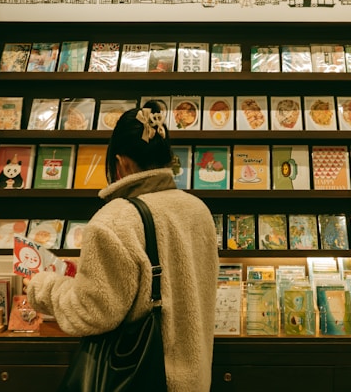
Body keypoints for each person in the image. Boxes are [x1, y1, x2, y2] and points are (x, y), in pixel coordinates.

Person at [25, 101, 220, 392]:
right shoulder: (198, 210)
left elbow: (91, 311)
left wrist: (43, 287)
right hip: (195, 380)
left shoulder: (114, 220)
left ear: (122, 163)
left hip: (145, 379)